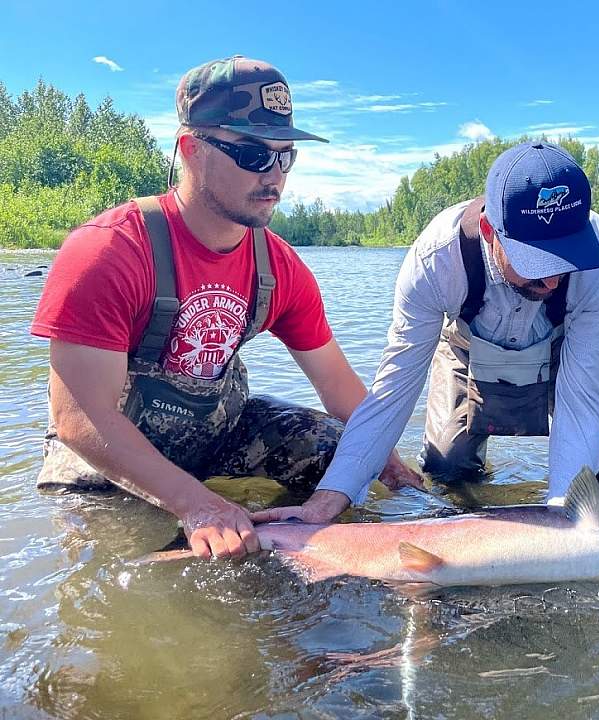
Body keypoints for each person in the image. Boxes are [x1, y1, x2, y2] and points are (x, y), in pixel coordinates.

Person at [30, 56, 418, 560]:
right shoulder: (107, 251)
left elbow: (339, 387)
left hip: (220, 436)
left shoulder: (280, 268)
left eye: (287, 156)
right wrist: (199, 505)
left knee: (347, 455)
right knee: (120, 567)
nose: (275, 176)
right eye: (254, 154)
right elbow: (80, 419)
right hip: (104, 458)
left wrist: (397, 473)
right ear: (191, 150)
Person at [253, 141, 599, 524]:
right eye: (536, 261)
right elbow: (395, 389)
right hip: (469, 344)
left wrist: (566, 519)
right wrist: (331, 496)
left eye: (566, 256)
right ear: (491, 230)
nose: (553, 279)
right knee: (447, 467)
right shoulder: (434, 261)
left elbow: (580, 400)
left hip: (572, 346)